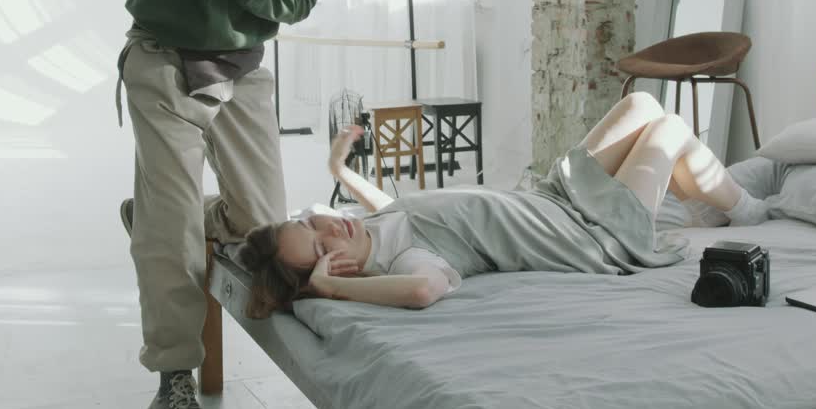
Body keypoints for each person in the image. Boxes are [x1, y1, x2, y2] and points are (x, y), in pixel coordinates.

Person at [79, 0, 358, 409]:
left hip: (242, 67)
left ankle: (151, 215)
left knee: (263, 226)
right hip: (163, 57)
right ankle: (172, 383)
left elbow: (297, 1)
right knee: (174, 231)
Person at [237, 91, 770, 317]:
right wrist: (330, 289)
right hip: (590, 234)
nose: (331, 227)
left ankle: (709, 203)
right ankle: (753, 213)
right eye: (321, 247)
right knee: (670, 128)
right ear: (335, 271)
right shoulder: (407, 261)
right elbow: (424, 291)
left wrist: (340, 171)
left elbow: (388, 207)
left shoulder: (371, 227)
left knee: (644, 104)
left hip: (554, 197)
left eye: (311, 222)